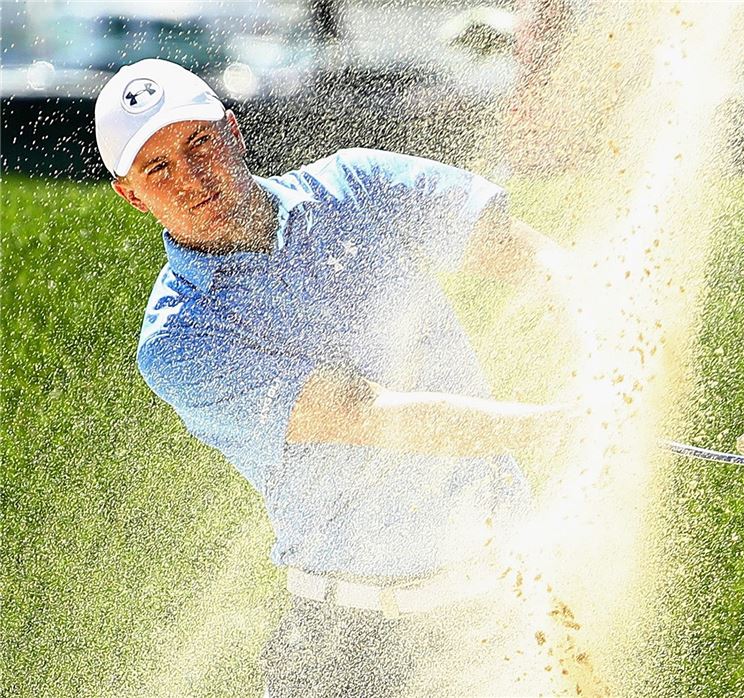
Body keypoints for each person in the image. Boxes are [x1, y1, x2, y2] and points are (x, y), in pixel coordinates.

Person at [95, 58, 585, 696]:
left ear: (233, 131)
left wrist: (616, 344)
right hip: (347, 646)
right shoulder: (180, 338)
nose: (192, 178)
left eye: (199, 143)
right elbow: (366, 415)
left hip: (505, 604)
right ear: (131, 196)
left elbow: (523, 253)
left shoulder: (358, 185)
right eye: (158, 169)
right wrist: (551, 428)